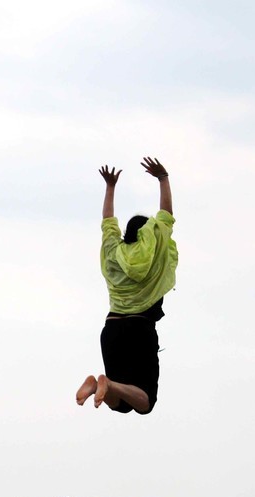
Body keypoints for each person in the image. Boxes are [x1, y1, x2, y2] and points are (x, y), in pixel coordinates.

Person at [76, 156, 178, 415]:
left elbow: (107, 223)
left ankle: (101, 384)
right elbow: (166, 217)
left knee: (121, 405)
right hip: (139, 328)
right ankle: (105, 383)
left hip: (112, 328)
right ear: (150, 236)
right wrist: (163, 179)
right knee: (145, 402)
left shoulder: (113, 251)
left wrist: (110, 187)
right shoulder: (154, 255)